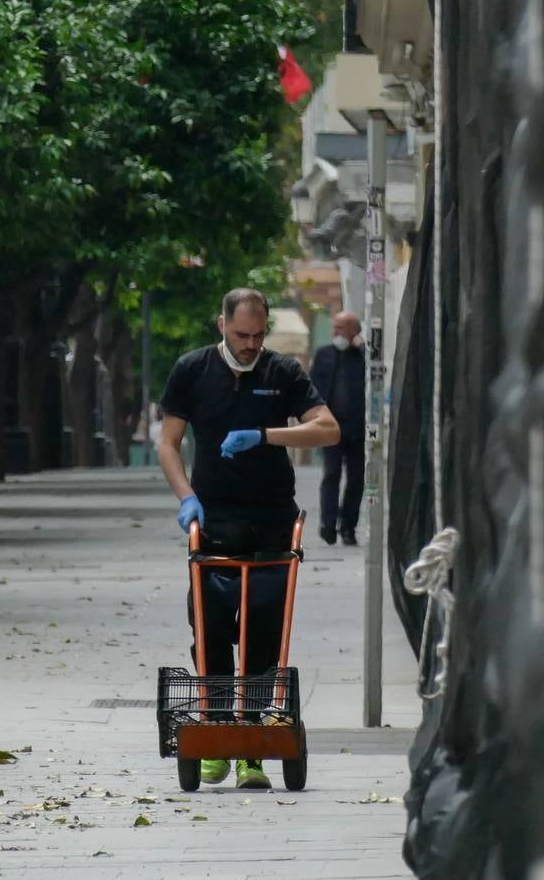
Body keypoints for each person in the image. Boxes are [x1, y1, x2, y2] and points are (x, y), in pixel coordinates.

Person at [157, 288, 339, 790]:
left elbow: (328, 430)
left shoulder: (282, 373)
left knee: (263, 633)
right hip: (213, 521)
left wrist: (265, 435)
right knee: (211, 629)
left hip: (270, 521)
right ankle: (215, 736)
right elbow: (169, 444)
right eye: (242, 335)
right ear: (222, 324)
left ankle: (253, 751)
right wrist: (185, 497)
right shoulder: (192, 370)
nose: (251, 345)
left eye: (259, 336)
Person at [308, 310, 365, 546]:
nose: (336, 333)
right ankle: (328, 524)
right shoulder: (323, 355)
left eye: (341, 328)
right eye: (335, 328)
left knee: (356, 479)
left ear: (354, 331)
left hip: (358, 427)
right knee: (331, 475)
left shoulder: (363, 356)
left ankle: (348, 527)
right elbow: (311, 390)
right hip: (330, 427)